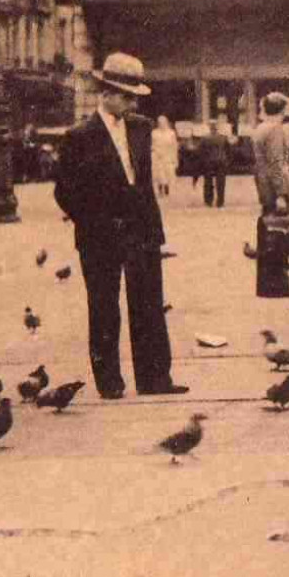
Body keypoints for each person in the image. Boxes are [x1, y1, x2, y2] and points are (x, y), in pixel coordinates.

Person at [53, 53, 187, 398]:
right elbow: (64, 192)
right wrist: (96, 222)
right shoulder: (78, 136)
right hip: (99, 236)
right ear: (106, 93)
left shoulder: (141, 128)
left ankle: (155, 378)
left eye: (135, 98)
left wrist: (154, 231)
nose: (131, 103)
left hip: (141, 230)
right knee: (104, 308)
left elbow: (143, 183)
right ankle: (110, 383)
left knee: (149, 304)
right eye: (126, 96)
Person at [252, 92, 289, 299]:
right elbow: (277, 164)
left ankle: (265, 284)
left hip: (264, 186)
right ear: (283, 109)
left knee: (267, 236)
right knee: (279, 238)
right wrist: (281, 193)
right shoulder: (275, 130)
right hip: (276, 188)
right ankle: (278, 285)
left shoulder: (260, 129)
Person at [200, 118, 230, 208]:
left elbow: (201, 151)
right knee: (221, 182)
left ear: (209, 128)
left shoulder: (205, 138)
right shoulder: (223, 138)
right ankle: (220, 201)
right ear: (217, 128)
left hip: (208, 162)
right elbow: (228, 150)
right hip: (221, 161)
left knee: (208, 182)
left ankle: (208, 201)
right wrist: (227, 160)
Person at [150, 115, 178, 200]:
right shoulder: (154, 133)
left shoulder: (171, 133)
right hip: (157, 156)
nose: (161, 124)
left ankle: (166, 189)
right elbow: (151, 144)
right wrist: (154, 151)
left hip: (168, 155)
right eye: (160, 123)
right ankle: (160, 189)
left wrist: (175, 158)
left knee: (168, 173)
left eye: (163, 122)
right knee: (159, 174)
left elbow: (174, 146)